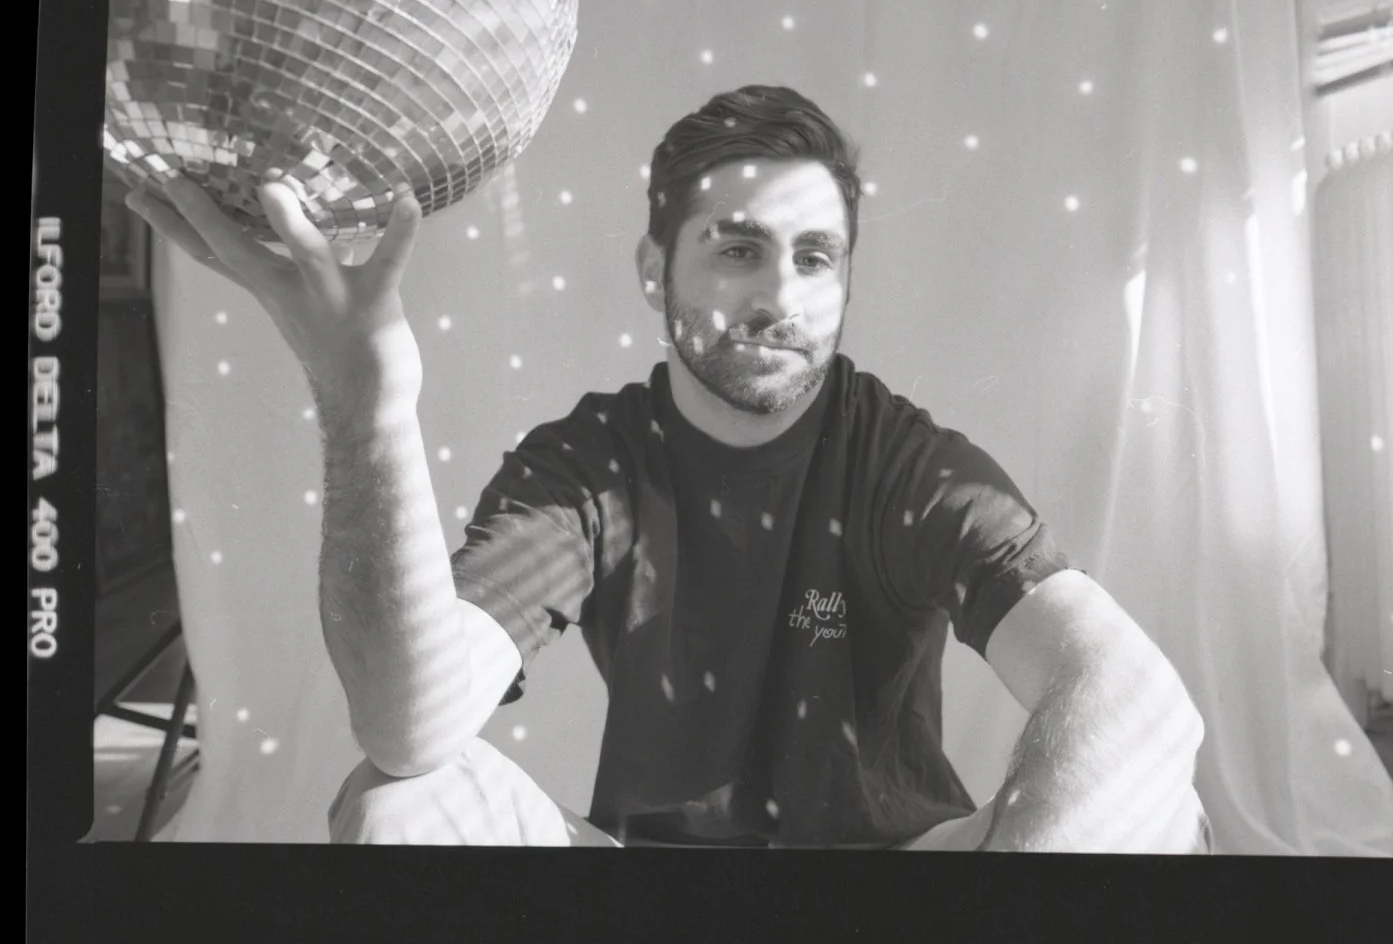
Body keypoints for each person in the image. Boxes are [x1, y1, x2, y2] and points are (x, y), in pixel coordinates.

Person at [125, 82, 1207, 852]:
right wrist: (363, 402)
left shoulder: (906, 463)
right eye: (737, 248)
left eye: (814, 258)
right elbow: (406, 725)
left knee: (1154, 808)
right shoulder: (590, 467)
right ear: (657, 270)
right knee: (399, 803)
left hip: (903, 910)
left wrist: (993, 937)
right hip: (647, 913)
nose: (779, 295)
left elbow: (1132, 690)